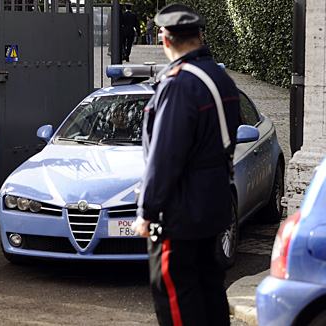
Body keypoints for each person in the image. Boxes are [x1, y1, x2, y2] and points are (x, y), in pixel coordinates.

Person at [131, 4, 241, 326]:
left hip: (179, 212)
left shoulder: (179, 83)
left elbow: (165, 156)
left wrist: (147, 211)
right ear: (201, 36)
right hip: (211, 205)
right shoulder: (221, 78)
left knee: (176, 295)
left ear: (164, 38)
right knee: (208, 287)